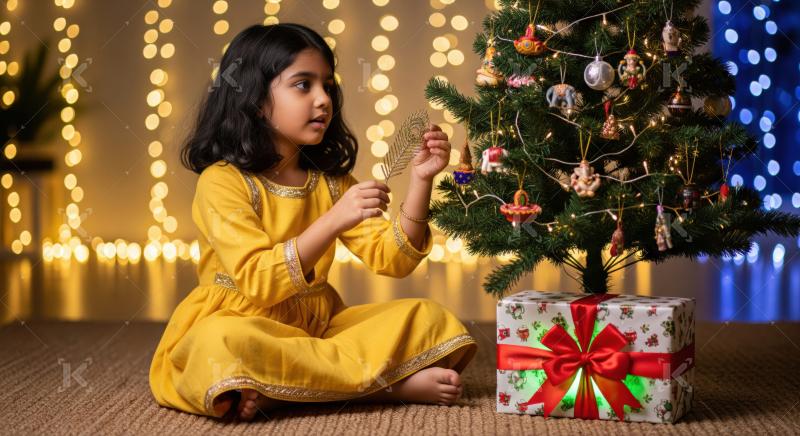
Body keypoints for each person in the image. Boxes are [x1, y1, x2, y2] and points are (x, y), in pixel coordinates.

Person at [148, 23, 478, 422]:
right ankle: (385, 388)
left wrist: (421, 181)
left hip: (318, 327)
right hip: (244, 323)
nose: (323, 100)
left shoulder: (331, 181)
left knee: (428, 317)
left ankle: (278, 392)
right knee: (219, 344)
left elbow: (394, 259)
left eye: (327, 86)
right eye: (303, 85)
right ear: (254, 100)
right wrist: (335, 220)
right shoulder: (223, 181)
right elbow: (257, 281)